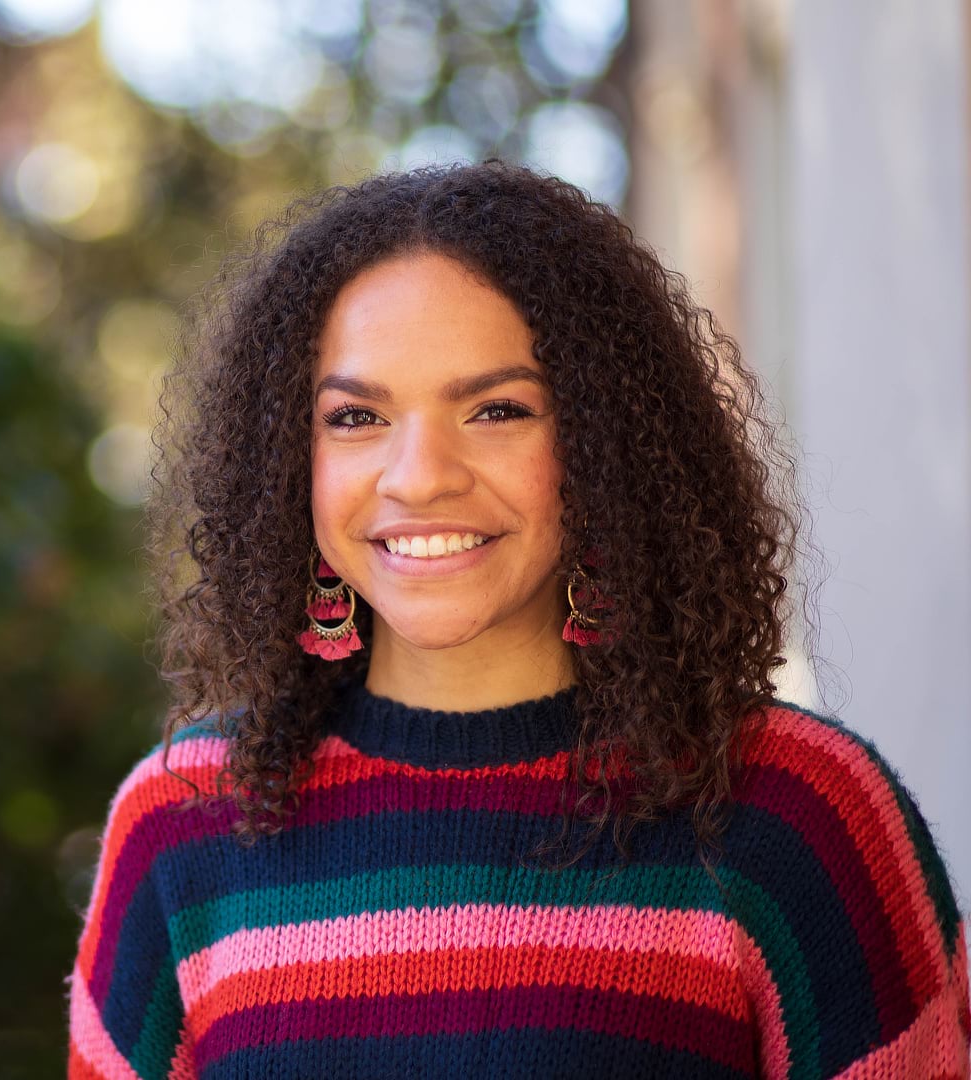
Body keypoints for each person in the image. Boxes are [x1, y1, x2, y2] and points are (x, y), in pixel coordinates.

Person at [65, 161, 970, 1078]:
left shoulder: (802, 814)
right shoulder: (181, 825)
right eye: (355, 416)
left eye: (498, 409)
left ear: (603, 444)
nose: (419, 476)